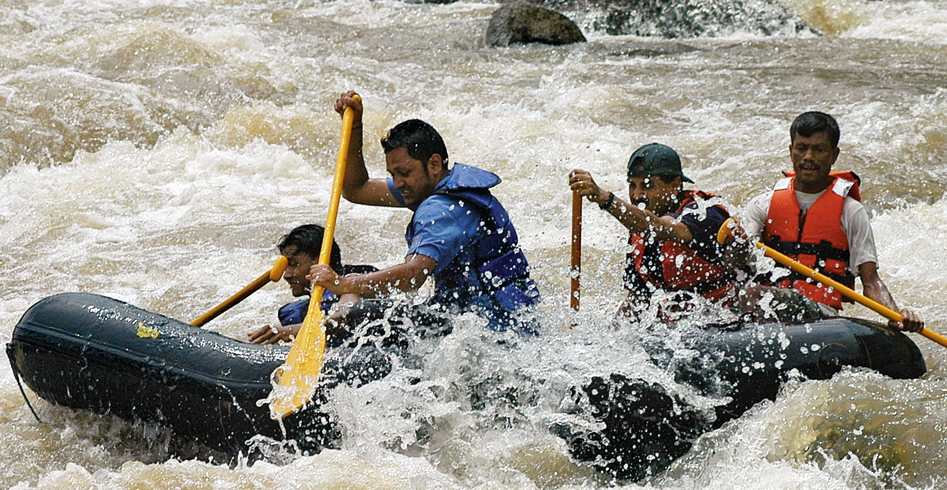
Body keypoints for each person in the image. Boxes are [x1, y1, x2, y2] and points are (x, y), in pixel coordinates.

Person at [308, 91, 540, 330]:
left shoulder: (440, 210)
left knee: (361, 313)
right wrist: (355, 126)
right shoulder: (441, 187)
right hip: (501, 318)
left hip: (488, 329)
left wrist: (345, 284)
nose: (397, 183)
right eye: (393, 175)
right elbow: (356, 189)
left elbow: (413, 275)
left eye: (405, 173)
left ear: (435, 164)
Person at [733, 111, 923, 332]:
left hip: (819, 314)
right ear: (791, 151)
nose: (808, 157)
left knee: (753, 295)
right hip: (766, 307)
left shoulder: (851, 212)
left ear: (834, 155)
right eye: (801, 148)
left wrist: (896, 314)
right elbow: (741, 264)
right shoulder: (762, 205)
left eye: (819, 150)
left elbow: (870, 281)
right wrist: (734, 244)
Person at [568, 143, 745, 321]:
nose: (637, 195)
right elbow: (638, 300)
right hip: (680, 325)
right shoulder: (638, 227)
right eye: (632, 185)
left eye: (648, 186)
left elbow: (661, 228)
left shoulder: (704, 211)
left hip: (728, 317)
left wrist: (604, 198)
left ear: (675, 186)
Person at [246, 224, 372, 344]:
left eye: (294, 265)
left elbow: (346, 315)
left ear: (319, 262)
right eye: (285, 267)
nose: (287, 275)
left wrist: (293, 331)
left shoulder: (352, 282)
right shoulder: (296, 312)